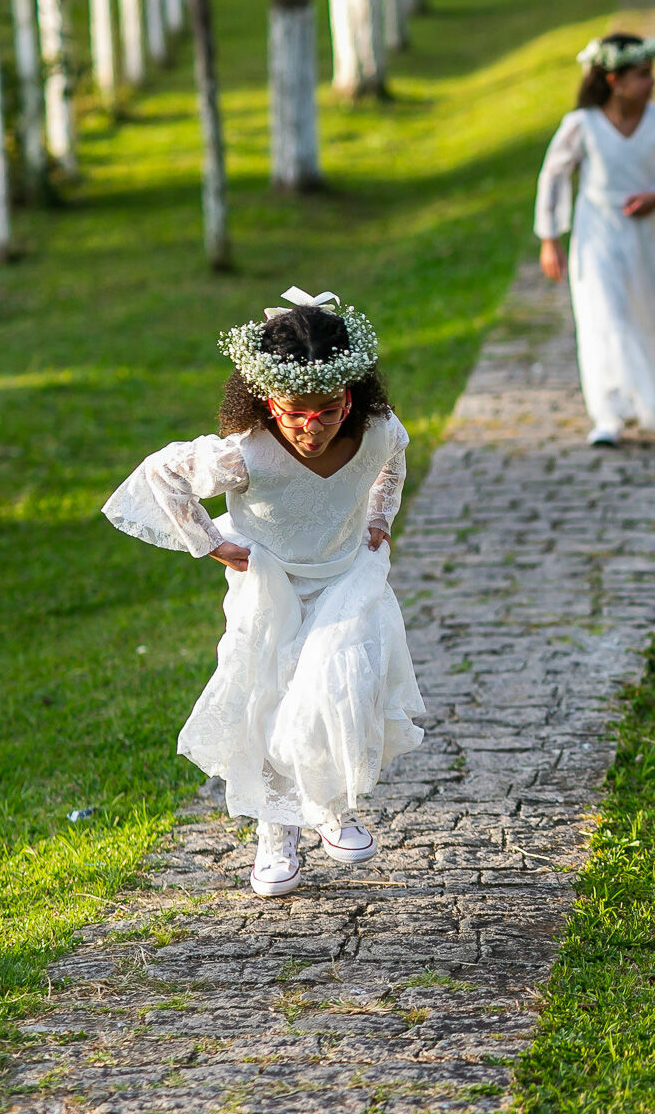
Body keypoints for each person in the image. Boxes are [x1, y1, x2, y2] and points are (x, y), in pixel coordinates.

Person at [102, 289, 424, 899]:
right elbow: (162, 474)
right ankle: (277, 828)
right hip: (268, 584)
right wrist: (211, 543)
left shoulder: (378, 432)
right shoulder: (246, 454)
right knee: (272, 695)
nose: (313, 426)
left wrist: (380, 518)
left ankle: (332, 804)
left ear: (350, 396)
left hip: (347, 576)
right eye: (294, 412)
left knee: (345, 684)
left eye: (329, 410)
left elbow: (395, 463)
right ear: (266, 402)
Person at [535, 32, 655, 444]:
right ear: (615, 80)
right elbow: (554, 175)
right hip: (597, 236)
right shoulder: (582, 124)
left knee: (645, 312)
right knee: (604, 317)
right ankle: (607, 414)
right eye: (643, 75)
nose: (652, 82)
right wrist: (549, 237)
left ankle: (646, 401)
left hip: (646, 234)